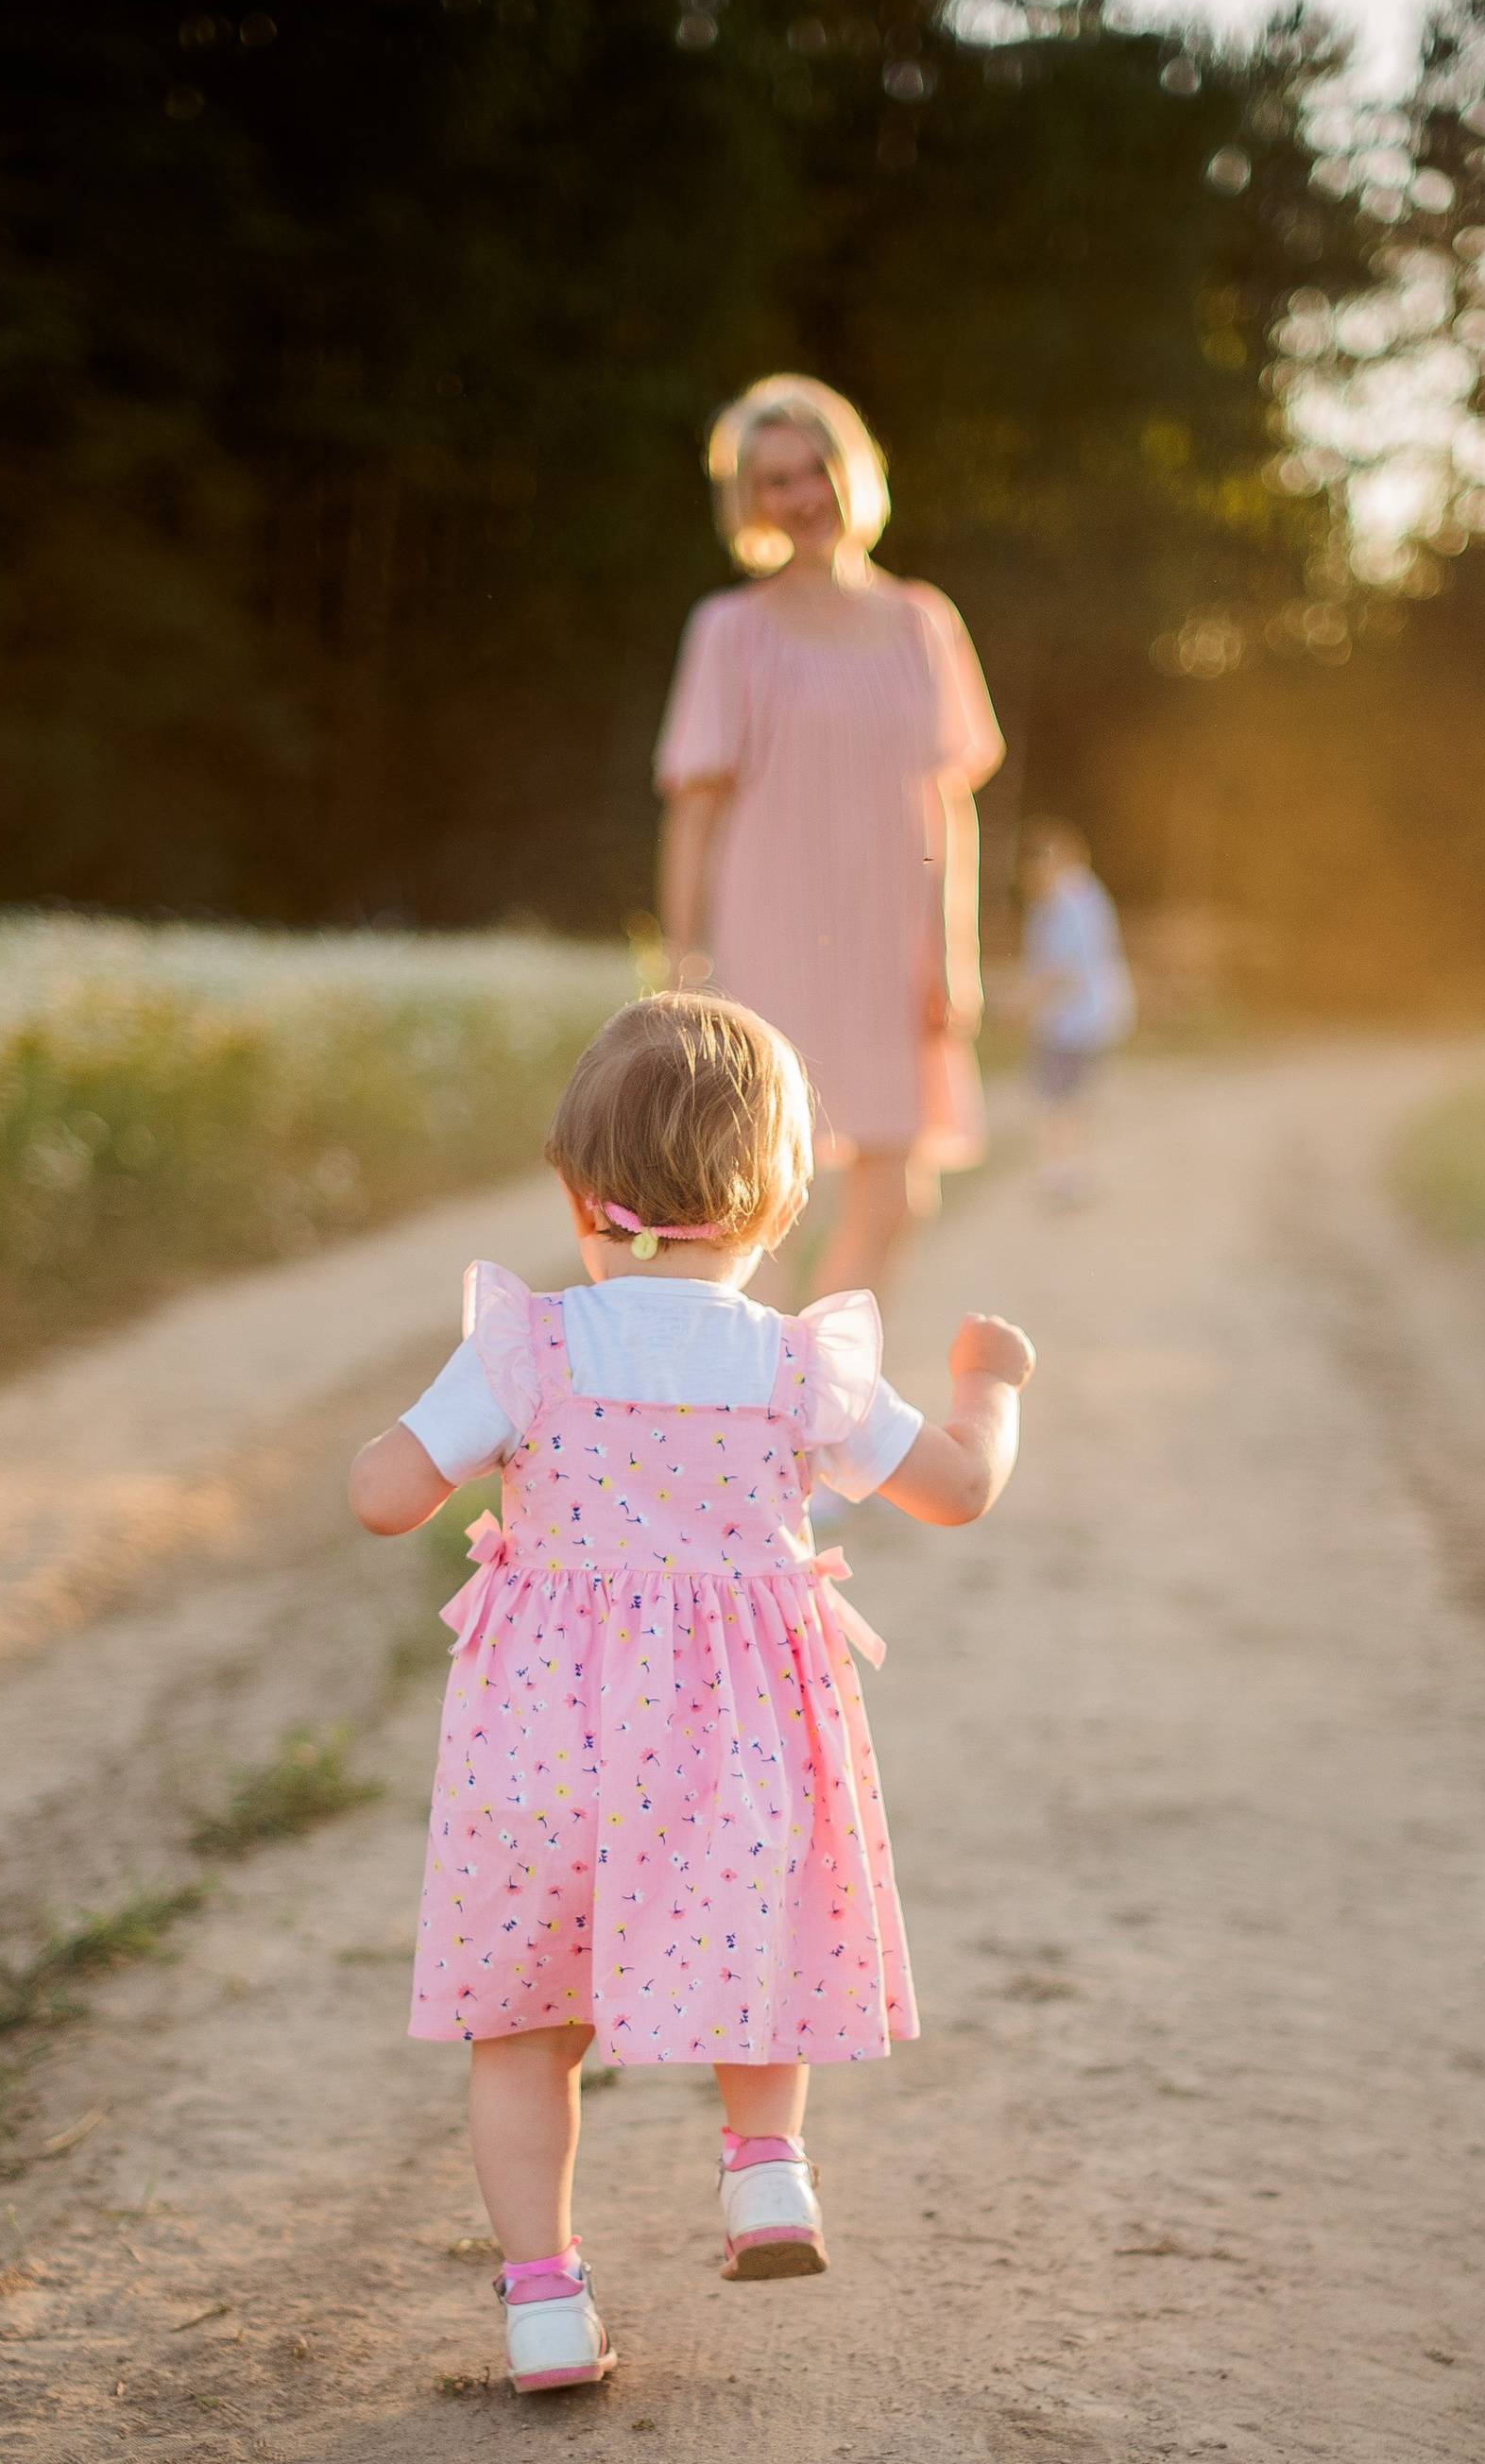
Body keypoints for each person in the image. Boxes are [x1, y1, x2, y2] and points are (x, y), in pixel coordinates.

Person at [348, 991, 1036, 2393]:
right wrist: (989, 1385)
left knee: (523, 2025)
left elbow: (380, 1496)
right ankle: (767, 2169)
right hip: (732, 1741)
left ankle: (545, 2303)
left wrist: (446, 1438)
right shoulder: (794, 1363)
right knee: (757, 1936)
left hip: (543, 1745)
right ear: (781, 1204)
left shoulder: (527, 1348)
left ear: (574, 1189)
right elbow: (959, 1488)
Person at [654, 372, 1005, 1306]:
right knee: (765, 1199)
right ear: (751, 500)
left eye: (817, 468)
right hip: (769, 936)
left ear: (853, 472)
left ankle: (824, 1376)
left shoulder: (923, 622)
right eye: (776, 480)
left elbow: (949, 805)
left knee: (899, 1199)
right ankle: (763, 1383)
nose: (804, 494)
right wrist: (683, 962)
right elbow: (694, 811)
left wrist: (955, 955)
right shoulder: (728, 630)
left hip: (893, 942)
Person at [1018, 818, 1136, 1203]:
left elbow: (1059, 969)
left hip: (1070, 1021)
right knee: (1077, 1100)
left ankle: (1061, 1177)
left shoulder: (1063, 900)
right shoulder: (1089, 893)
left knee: (1056, 1101)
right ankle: (1076, 1173)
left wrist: (1021, 1003)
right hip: (1096, 1016)